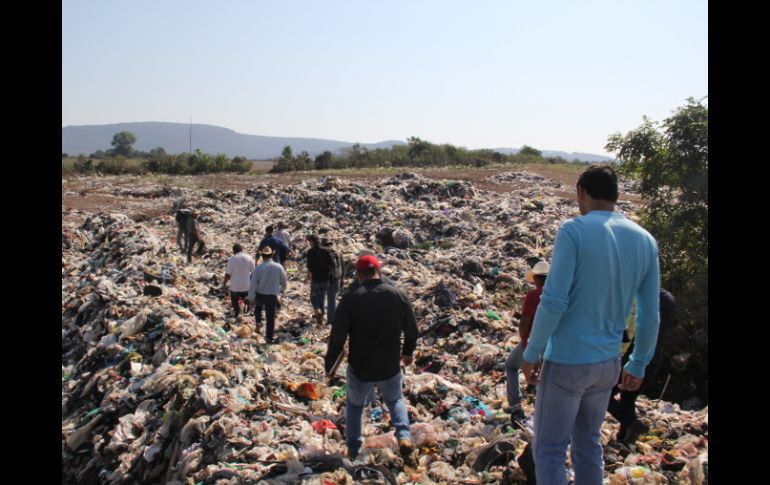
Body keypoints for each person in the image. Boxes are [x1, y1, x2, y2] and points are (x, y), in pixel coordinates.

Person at [520, 164, 660, 485]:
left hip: (568, 362)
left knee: (551, 449)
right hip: (608, 364)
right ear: (616, 195)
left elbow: (554, 301)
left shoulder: (574, 230)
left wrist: (532, 352)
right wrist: (638, 364)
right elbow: (650, 313)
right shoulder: (645, 240)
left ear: (581, 192)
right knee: (588, 444)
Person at [324, 255, 418, 463]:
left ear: (358, 275)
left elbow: (337, 335)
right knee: (394, 400)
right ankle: (403, 436)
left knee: (355, 406)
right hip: (390, 363)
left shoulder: (351, 298)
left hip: (360, 364)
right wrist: (408, 352)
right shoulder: (398, 294)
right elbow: (412, 329)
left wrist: (330, 363)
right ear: (379, 271)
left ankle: (354, 448)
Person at [608, 288, 675, 443]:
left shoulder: (639, 298)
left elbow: (628, 331)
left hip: (634, 355)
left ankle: (631, 422)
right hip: (654, 357)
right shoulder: (667, 298)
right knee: (628, 398)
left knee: (601, 392)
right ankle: (624, 438)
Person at [505, 260, 549, 423]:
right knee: (545, 376)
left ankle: (515, 405)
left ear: (537, 278)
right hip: (553, 344)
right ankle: (543, 411)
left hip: (533, 341)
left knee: (510, 366)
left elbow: (525, 321)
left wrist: (523, 337)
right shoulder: (559, 293)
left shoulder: (533, 295)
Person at [246, 246, 287, 344]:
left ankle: (258, 324)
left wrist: (251, 297)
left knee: (258, 309)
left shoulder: (258, 268)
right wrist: (281, 291)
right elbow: (284, 282)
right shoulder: (279, 267)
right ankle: (269, 337)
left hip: (260, 294)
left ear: (262, 256)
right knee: (270, 317)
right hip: (272, 295)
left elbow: (253, 284)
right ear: (272, 255)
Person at [306, 235, 335, 325]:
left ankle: (317, 310)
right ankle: (320, 318)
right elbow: (332, 264)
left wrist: (309, 275)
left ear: (312, 241)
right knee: (322, 297)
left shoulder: (310, 252)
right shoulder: (326, 250)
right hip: (326, 278)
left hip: (316, 278)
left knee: (313, 296)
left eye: (310, 242)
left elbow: (309, 266)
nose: (309, 244)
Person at [223, 243, 255, 318]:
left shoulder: (232, 259)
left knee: (235, 301)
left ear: (233, 251)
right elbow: (254, 272)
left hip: (235, 286)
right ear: (241, 249)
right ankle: (246, 312)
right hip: (246, 286)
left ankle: (237, 314)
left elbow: (227, 274)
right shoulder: (249, 258)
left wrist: (224, 283)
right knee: (246, 299)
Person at [321, 238, 342, 324]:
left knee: (322, 298)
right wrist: (342, 279)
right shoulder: (338, 253)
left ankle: (325, 318)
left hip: (325, 279)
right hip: (336, 278)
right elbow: (342, 267)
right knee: (332, 299)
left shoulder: (322, 254)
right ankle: (333, 319)